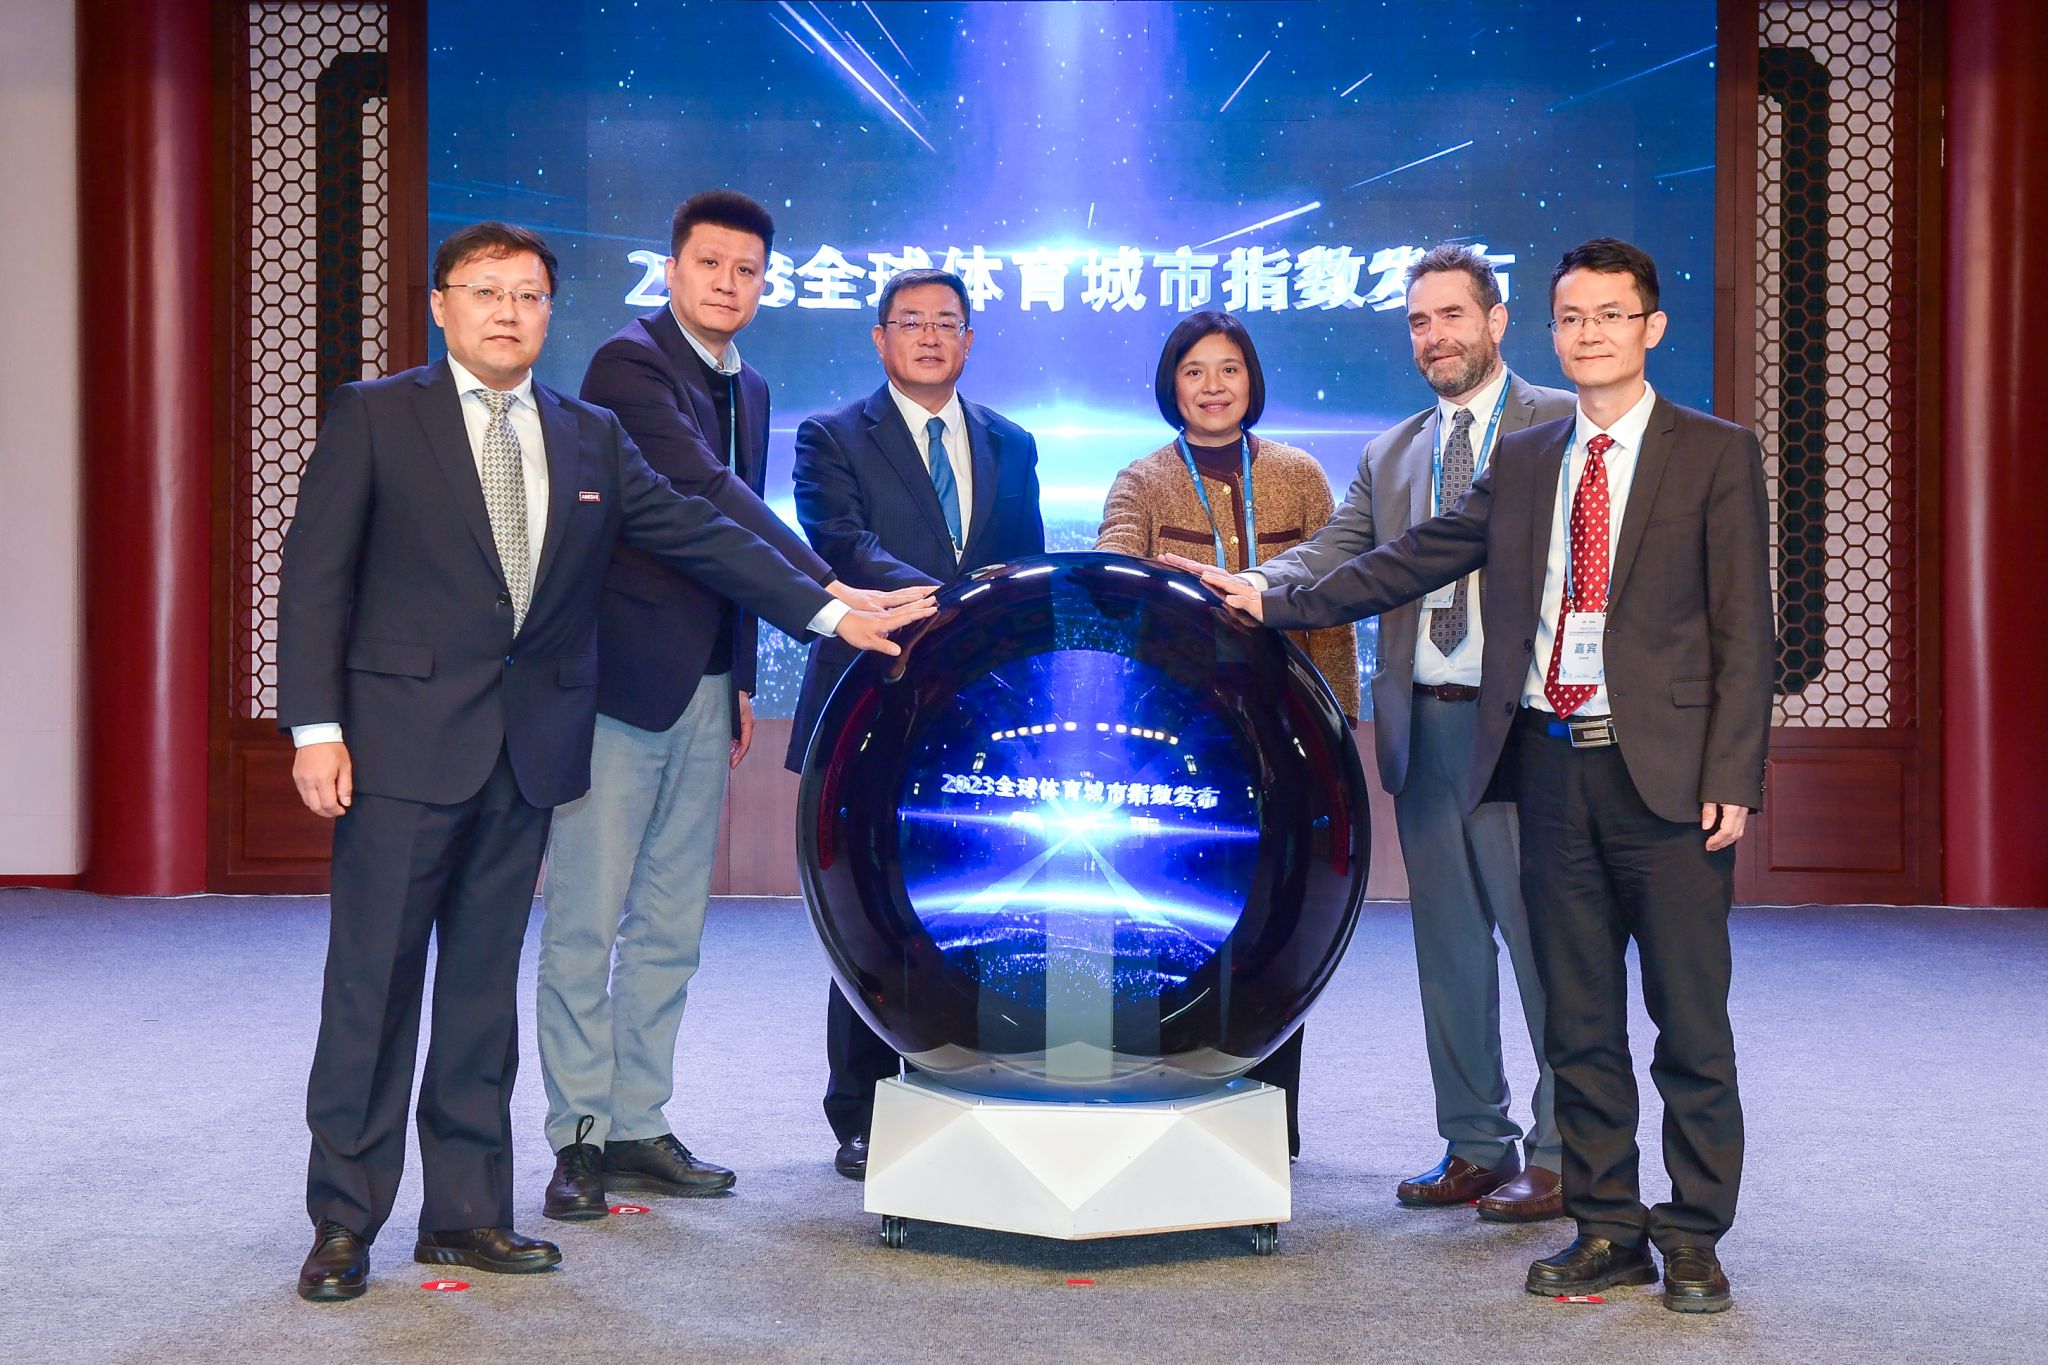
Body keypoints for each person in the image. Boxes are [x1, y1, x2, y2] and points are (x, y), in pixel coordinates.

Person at [279, 221, 929, 1302]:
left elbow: (697, 529)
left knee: (481, 998)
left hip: (526, 752)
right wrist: (315, 729)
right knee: (373, 989)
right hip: (396, 749)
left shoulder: (586, 433)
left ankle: (466, 1216)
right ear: (441, 305)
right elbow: (315, 579)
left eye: (528, 295)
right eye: (484, 291)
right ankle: (344, 1219)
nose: (506, 311)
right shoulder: (377, 415)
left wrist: (826, 610)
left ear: (550, 312)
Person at [1204, 238, 1769, 1314]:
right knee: (1580, 1018)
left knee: (1690, 1023)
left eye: (1611, 314)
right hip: (1545, 765)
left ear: (1651, 328)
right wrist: (1273, 600)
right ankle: (1606, 1228)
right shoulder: (1530, 456)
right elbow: (1410, 559)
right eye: (1575, 316)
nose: (1590, 333)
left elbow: (1746, 624)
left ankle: (1693, 1233)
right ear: (1552, 328)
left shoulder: (1712, 451)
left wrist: (1734, 770)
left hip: (1664, 777)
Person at [534, 192, 929, 1222]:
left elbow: (726, 552)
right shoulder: (626, 365)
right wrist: (832, 593)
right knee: (586, 923)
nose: (727, 283)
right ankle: (577, 1136)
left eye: (747, 270)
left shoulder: (748, 384)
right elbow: (705, 500)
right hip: (620, 686)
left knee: (670, 925)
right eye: (709, 264)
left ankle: (637, 1122)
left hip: (706, 685)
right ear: (670, 269)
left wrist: (742, 670)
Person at [1169, 248, 1574, 1215]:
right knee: (1450, 951)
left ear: (1497, 320)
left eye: (1451, 316)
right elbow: (1337, 550)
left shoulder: (1561, 422)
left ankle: (1568, 1149)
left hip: (1523, 726)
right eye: (1418, 322)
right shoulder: (1391, 452)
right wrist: (1257, 582)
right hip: (1423, 725)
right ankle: (1475, 1141)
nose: (1435, 337)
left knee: (1549, 949)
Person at [786, 267, 1046, 1179]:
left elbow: (1027, 567)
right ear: (880, 338)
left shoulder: (1012, 442)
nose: (930, 337)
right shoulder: (830, 436)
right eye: (911, 322)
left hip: (978, 712)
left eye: (947, 323)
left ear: (968, 340)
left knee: (978, 903)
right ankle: (861, 1108)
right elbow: (842, 545)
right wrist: (955, 605)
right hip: (871, 699)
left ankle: (966, 1084)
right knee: (868, 905)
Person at [1098, 310, 1358, 1159]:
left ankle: (1268, 1126)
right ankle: (1162, 1106)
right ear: (1171, 386)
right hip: (1177, 746)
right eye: (1194, 371)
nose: (1213, 386)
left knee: (1276, 925)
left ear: (1252, 381)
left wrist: (1337, 725)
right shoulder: (1142, 480)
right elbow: (1112, 588)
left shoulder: (1299, 474)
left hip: (1284, 739)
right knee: (1174, 924)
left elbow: (1332, 603)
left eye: (1229, 369)